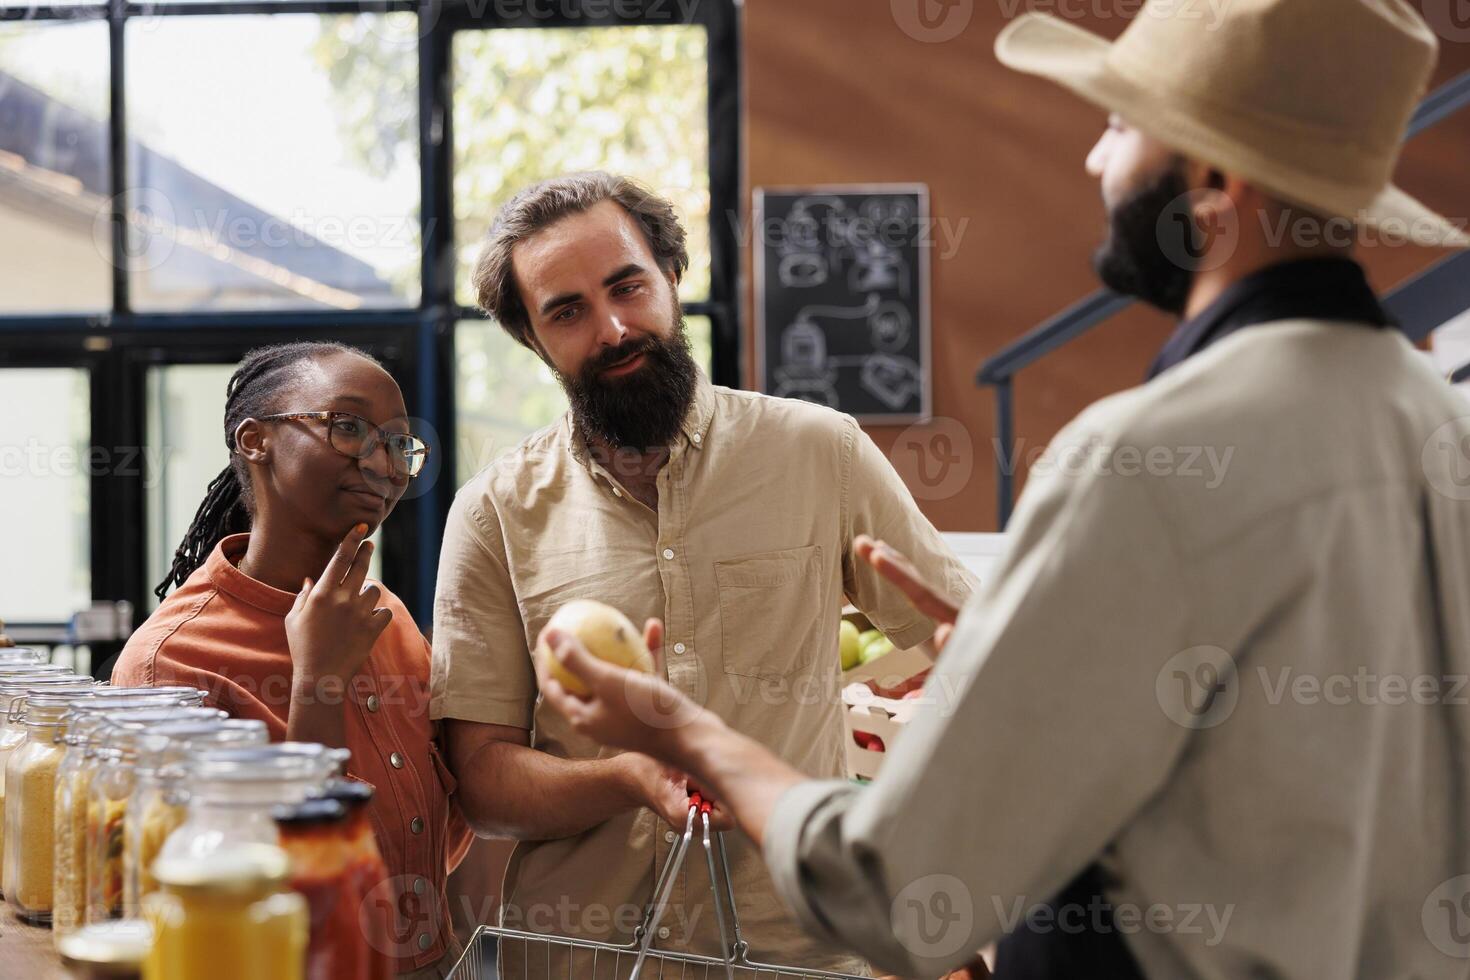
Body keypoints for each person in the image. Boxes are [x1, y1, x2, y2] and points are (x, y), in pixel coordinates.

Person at [532, 1, 1470, 978]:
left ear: (1211, 180)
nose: (1095, 164)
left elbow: (898, 890)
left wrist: (684, 730)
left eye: (1115, 124)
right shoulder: (1438, 425)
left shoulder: (1142, 460)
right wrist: (1022, 665)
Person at [431, 171, 977, 973]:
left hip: (797, 953)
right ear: (533, 340)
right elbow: (481, 781)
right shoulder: (493, 514)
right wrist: (627, 775)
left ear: (673, 279)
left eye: (628, 286)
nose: (615, 328)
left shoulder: (819, 452)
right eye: (568, 311)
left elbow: (963, 638)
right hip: (586, 958)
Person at [113, 342, 473, 978]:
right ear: (256, 440)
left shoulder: (385, 614)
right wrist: (320, 684)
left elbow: (438, 823)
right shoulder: (169, 662)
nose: (384, 462)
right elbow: (217, 896)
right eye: (349, 426)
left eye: (399, 443)